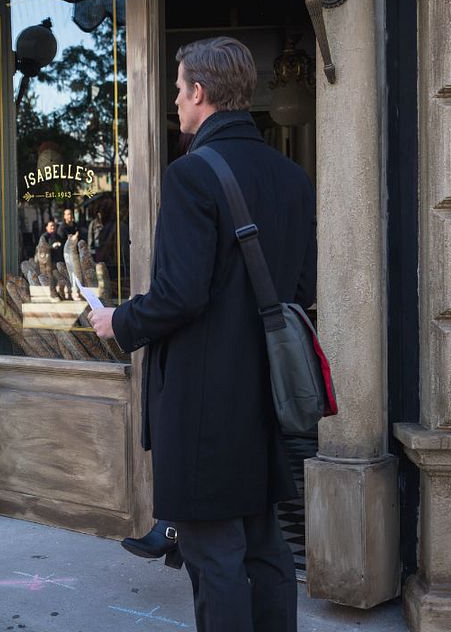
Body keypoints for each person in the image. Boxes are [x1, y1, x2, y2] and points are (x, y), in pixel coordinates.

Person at [89, 37, 316, 632]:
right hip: (267, 394)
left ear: (200, 93)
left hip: (203, 402)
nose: (174, 98)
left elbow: (179, 296)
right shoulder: (292, 176)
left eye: (178, 87)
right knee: (266, 550)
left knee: (212, 555)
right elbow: (303, 285)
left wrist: (120, 320)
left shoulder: (191, 175)